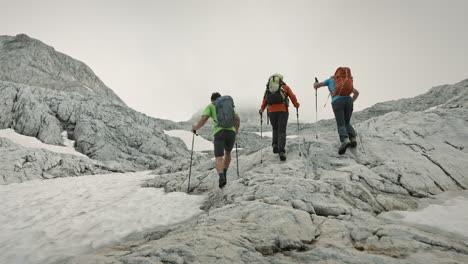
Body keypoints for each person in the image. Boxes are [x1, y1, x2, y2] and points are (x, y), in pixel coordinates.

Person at [192, 92, 240, 188]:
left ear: (211, 100)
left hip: (219, 132)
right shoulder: (228, 106)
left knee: (219, 157)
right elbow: (237, 118)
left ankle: (221, 177)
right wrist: (236, 130)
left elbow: (204, 119)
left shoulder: (210, 106)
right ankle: (225, 173)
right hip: (231, 132)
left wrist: (195, 127)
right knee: (228, 153)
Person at [314, 67, 360, 155]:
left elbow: (316, 86)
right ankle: (353, 139)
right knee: (347, 122)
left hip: (337, 101)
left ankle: (344, 140)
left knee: (341, 123)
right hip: (349, 101)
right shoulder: (345, 81)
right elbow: (357, 93)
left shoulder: (330, 80)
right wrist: (351, 102)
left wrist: (315, 83)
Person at [259, 74, 300, 161]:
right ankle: (281, 151)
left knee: (275, 128)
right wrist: (296, 105)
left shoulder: (268, 89)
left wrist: (262, 109)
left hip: (271, 111)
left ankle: (275, 145)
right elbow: (292, 96)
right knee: (282, 130)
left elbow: (265, 99)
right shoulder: (285, 87)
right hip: (282, 110)